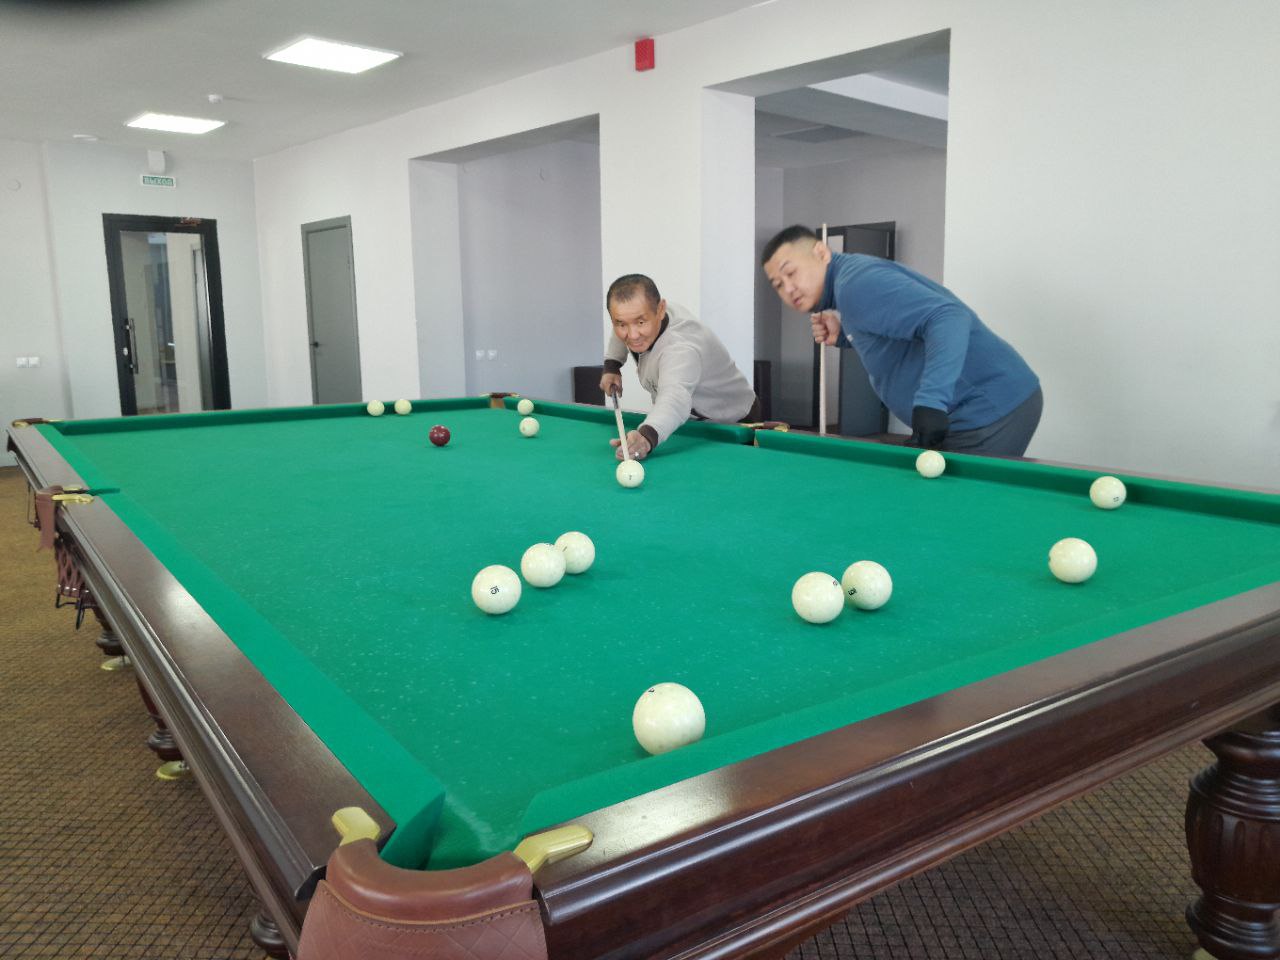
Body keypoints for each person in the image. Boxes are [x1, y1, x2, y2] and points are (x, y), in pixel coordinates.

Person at [760, 225, 1042, 456]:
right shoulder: (850, 284)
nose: (789, 288)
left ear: (821, 252)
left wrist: (931, 401)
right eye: (778, 285)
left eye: (791, 272)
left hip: (988, 408)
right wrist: (846, 335)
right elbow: (902, 333)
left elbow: (949, 317)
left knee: (953, 504)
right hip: (979, 408)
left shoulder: (856, 284)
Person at [599, 274, 758, 461]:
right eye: (621, 324)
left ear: (660, 310)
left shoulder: (681, 349)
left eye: (640, 322)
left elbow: (674, 400)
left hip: (734, 425)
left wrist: (645, 438)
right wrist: (612, 365)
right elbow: (625, 321)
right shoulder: (644, 313)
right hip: (691, 422)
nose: (632, 335)